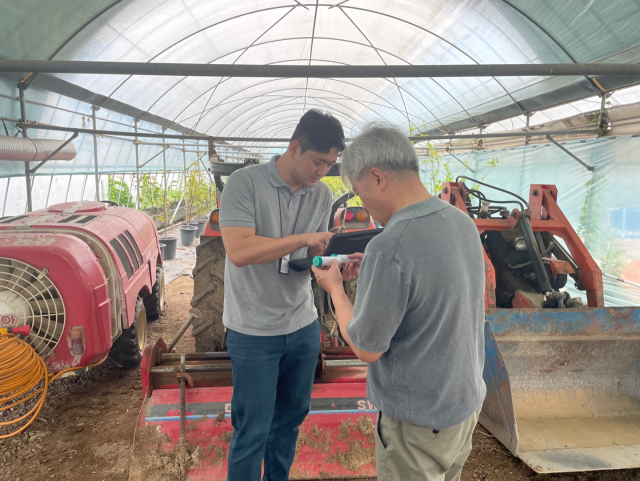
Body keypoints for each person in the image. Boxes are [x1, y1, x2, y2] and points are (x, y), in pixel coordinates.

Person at [312, 124, 486, 481]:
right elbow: (429, 287)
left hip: (417, 425)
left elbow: (366, 347)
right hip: (462, 408)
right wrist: (375, 269)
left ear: (377, 178)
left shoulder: (390, 246)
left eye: (359, 193)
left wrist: (336, 290)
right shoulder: (461, 222)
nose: (363, 203)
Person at [218, 110, 346, 481]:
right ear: (294, 148)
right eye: (317, 161)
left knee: (289, 422)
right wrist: (304, 239)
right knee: (252, 429)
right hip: (253, 330)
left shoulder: (321, 195)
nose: (321, 171)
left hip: (302, 327)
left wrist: (335, 261)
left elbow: (305, 258)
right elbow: (239, 252)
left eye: (329, 164)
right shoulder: (244, 184)